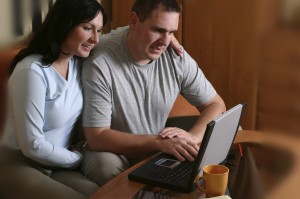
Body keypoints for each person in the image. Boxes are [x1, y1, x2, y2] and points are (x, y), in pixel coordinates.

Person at [81, 0, 226, 187]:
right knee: (105, 166)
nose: (165, 41)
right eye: (158, 30)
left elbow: (216, 104)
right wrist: (158, 142)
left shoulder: (175, 54)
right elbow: (97, 136)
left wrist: (193, 137)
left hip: (157, 137)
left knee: (223, 130)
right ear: (133, 21)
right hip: (112, 149)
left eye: (171, 32)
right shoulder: (100, 61)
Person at [0, 0, 106, 198]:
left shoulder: (77, 62)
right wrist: (76, 158)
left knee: (102, 194)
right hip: (17, 162)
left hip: (54, 163)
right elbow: (32, 146)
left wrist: (169, 38)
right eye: (87, 28)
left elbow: (125, 37)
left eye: (99, 30)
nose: (95, 39)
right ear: (65, 24)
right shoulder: (32, 71)